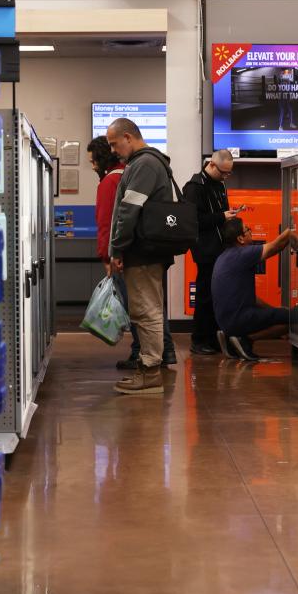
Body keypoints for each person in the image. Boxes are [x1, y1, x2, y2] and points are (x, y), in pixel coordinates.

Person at [87, 137, 176, 371]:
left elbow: (112, 220)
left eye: (93, 161)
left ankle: (148, 361)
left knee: (141, 309)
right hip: (149, 249)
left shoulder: (122, 175)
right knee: (151, 306)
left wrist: (110, 254)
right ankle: (159, 353)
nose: (93, 166)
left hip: (133, 252)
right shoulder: (140, 168)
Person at [107, 118, 177, 395]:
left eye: (115, 144)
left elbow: (128, 210)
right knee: (146, 309)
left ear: (128, 137)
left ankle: (150, 373)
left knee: (146, 311)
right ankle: (148, 369)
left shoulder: (145, 164)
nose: (113, 150)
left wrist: (117, 247)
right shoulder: (146, 162)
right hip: (146, 250)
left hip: (142, 251)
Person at [212, 217, 298, 362]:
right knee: (295, 317)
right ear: (240, 238)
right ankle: (245, 339)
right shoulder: (243, 254)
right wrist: (291, 233)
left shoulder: (223, 257)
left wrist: (274, 310)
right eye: (247, 229)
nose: (251, 231)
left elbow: (252, 299)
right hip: (239, 319)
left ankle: (231, 338)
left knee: (281, 314)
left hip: (225, 321)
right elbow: (276, 246)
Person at [182, 150, 240, 355]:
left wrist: (228, 217)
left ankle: (214, 338)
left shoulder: (219, 184)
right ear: (212, 165)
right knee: (205, 295)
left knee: (218, 295)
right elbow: (193, 221)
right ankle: (199, 340)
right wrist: (222, 217)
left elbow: (219, 214)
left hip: (221, 247)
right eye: (224, 172)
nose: (226, 177)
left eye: (229, 173)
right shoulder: (194, 187)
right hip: (206, 249)